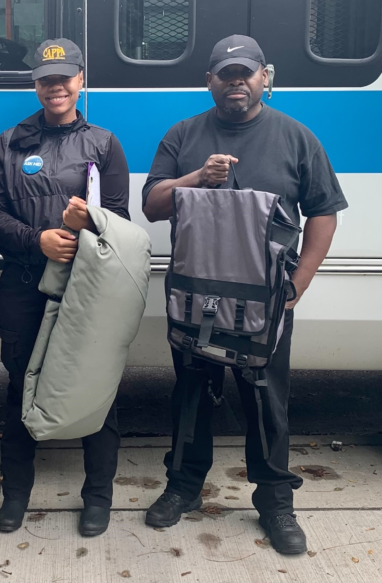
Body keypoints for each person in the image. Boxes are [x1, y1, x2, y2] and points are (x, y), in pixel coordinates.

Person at [141, 35, 348, 555]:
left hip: (266, 304)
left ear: (264, 78)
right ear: (209, 81)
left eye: (246, 72)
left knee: (266, 400)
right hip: (197, 301)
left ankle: (276, 501)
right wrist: (197, 177)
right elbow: (152, 205)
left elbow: (324, 211)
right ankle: (184, 488)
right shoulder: (183, 135)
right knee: (190, 395)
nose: (237, 81)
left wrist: (300, 280)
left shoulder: (296, 138)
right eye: (225, 73)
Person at [0, 38, 130, 537]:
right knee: (21, 386)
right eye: (46, 79)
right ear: (36, 85)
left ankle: (98, 498)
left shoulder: (105, 144)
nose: (55, 86)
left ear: (80, 81)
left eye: (64, 77)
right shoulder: (9, 143)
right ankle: (17, 493)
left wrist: (90, 222)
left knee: (96, 389)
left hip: (84, 292)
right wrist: (36, 239)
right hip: (24, 283)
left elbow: (121, 222)